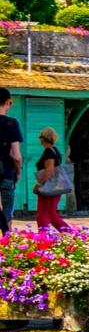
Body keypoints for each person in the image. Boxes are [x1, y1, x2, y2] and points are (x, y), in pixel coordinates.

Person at [32, 127, 69, 230]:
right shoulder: (55, 151)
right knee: (51, 214)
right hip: (56, 186)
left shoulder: (49, 152)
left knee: (43, 215)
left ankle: (43, 238)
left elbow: (49, 170)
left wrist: (38, 184)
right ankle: (69, 234)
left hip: (48, 187)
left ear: (43, 138)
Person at [0, 88, 19, 236]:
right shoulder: (11, 123)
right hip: (6, 172)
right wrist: (17, 171)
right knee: (7, 210)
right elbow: (15, 154)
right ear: (8, 102)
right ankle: (7, 244)